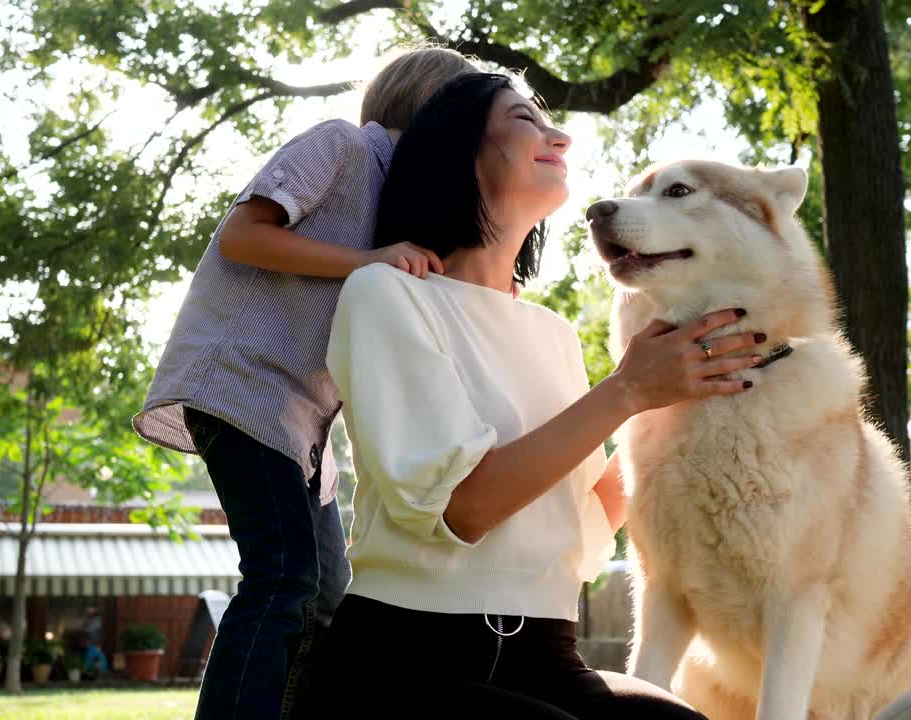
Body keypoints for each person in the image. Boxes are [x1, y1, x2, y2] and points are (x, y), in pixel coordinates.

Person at [315, 73, 773, 718]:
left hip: (549, 655)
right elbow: (465, 508)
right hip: (408, 660)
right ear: (458, 149)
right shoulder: (385, 293)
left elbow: (581, 519)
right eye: (525, 118)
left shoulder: (551, 332)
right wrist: (631, 388)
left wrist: (688, 391)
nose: (558, 134)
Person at [132, 47, 478, 720]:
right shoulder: (342, 146)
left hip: (303, 428)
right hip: (245, 386)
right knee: (282, 576)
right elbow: (242, 236)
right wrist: (365, 261)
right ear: (433, 106)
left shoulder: (400, 204)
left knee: (325, 592)